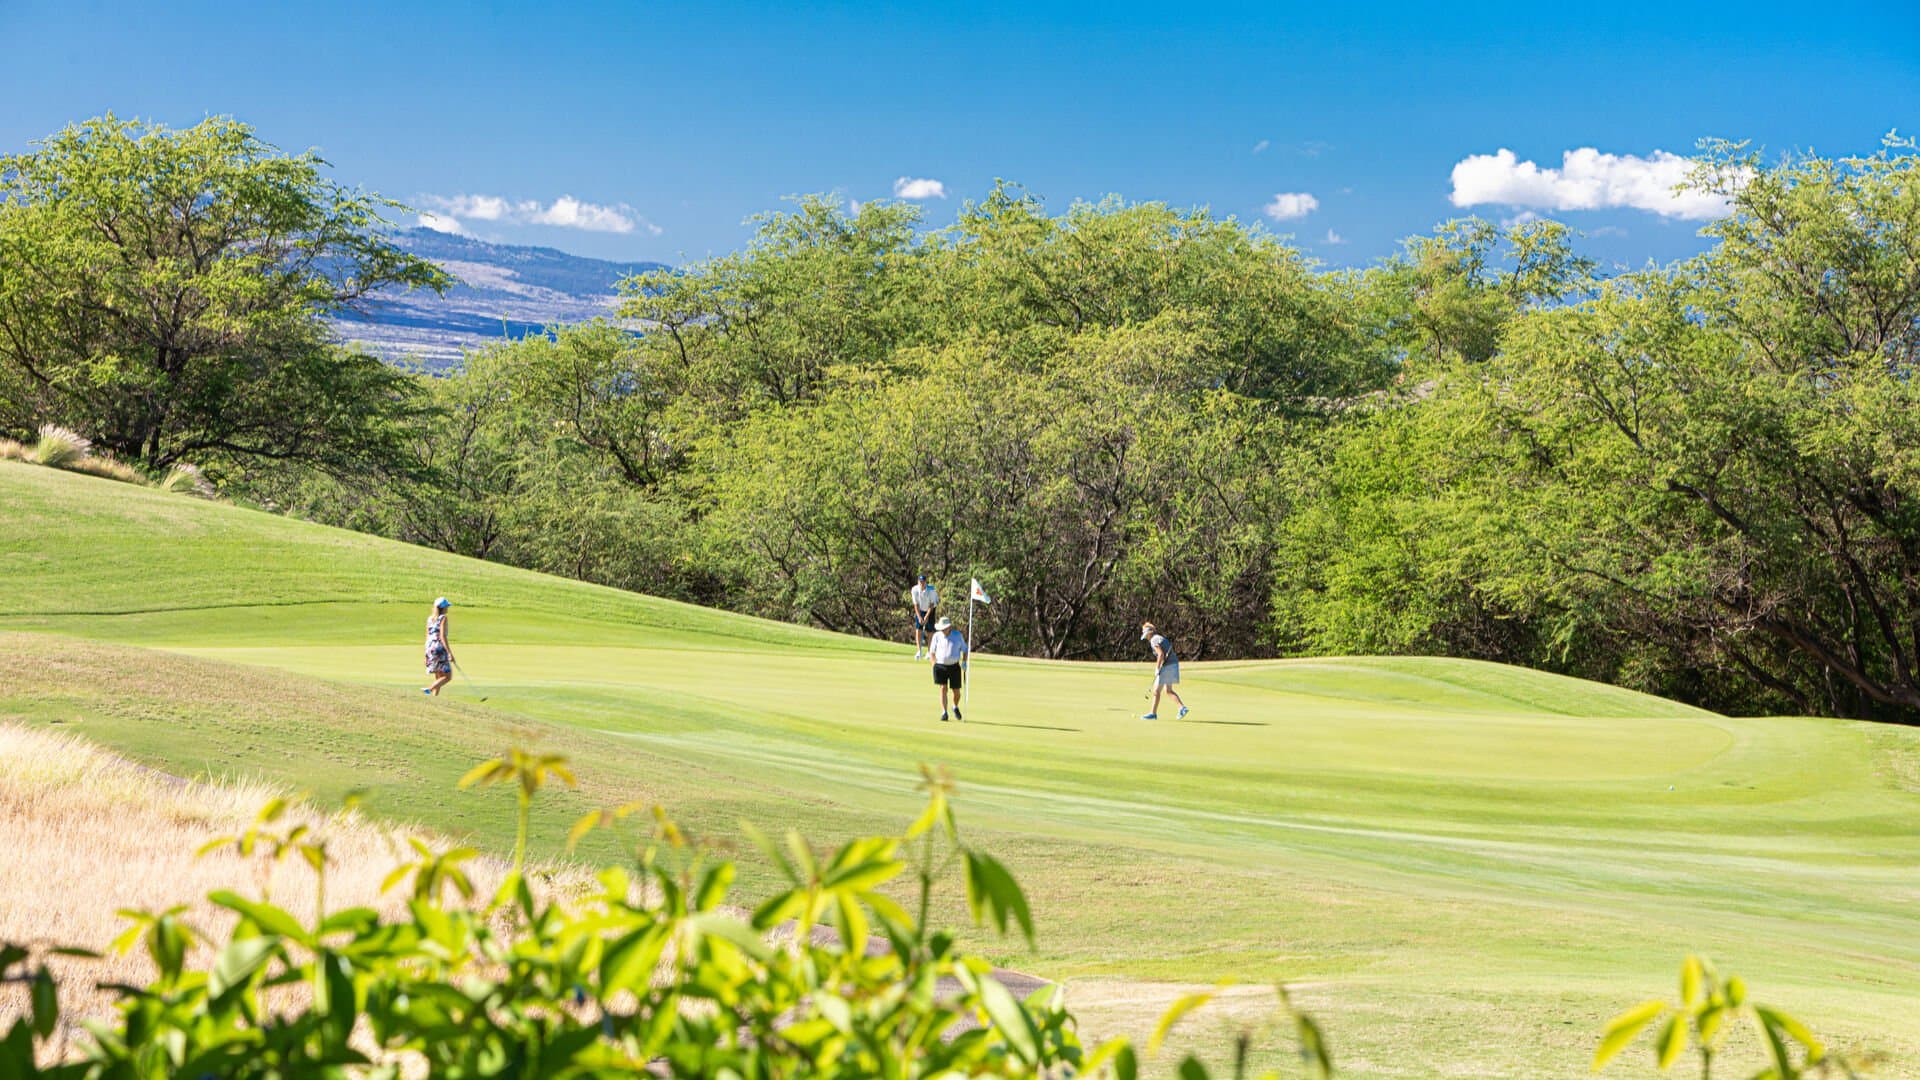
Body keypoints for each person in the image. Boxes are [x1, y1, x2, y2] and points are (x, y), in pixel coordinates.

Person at [1140, 621, 1189, 720]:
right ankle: (1181, 708)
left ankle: (1153, 714)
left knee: (1156, 691)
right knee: (1168, 691)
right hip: (1173, 664)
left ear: (1149, 633)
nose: (1146, 638)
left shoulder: (1154, 640)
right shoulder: (1159, 637)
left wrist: (1158, 667)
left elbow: (1161, 654)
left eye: (1146, 635)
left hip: (1167, 666)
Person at [928, 615, 968, 722]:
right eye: (941, 628)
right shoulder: (937, 636)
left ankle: (955, 706)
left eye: (944, 628)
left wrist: (964, 662)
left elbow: (965, 649)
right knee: (943, 688)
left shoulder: (957, 635)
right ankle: (944, 712)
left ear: (949, 627)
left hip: (954, 666)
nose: (943, 630)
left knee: (957, 692)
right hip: (940, 666)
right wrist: (934, 665)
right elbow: (931, 652)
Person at [422, 597, 454, 696]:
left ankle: (434, 698)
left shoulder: (429, 619)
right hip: (439, 648)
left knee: (439, 675)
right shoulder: (443, 618)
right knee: (448, 676)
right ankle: (430, 688)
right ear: (443, 608)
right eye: (447, 606)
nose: (448, 608)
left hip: (430, 648)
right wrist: (449, 653)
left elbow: (427, 637)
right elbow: (442, 636)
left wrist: (425, 654)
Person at [909, 573, 940, 659]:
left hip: (931, 608)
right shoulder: (914, 590)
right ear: (918, 582)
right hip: (920, 608)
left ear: (926, 582)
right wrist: (919, 617)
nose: (921, 583)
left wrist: (926, 617)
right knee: (918, 629)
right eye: (920, 582)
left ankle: (929, 652)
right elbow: (916, 605)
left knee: (930, 631)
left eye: (923, 582)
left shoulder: (931, 590)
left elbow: (932, 605)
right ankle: (919, 651)